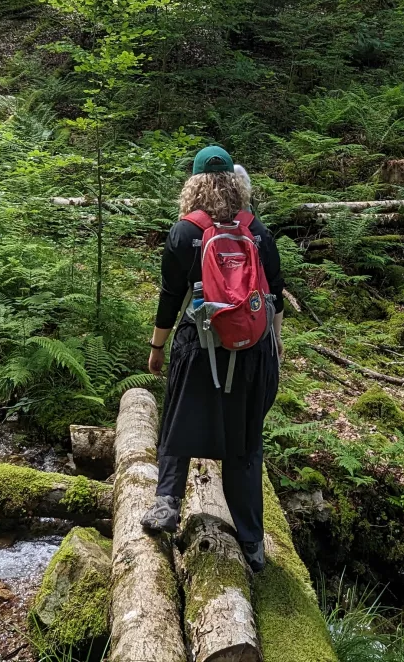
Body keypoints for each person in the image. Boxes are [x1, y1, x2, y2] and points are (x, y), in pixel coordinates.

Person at [141, 145, 285, 572]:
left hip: (201, 346)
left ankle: (167, 504)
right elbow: (275, 293)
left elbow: (170, 297)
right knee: (245, 443)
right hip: (252, 349)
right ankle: (252, 543)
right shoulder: (256, 229)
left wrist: (157, 347)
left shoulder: (186, 232)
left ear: (194, 184)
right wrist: (274, 345)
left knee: (177, 419)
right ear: (236, 183)